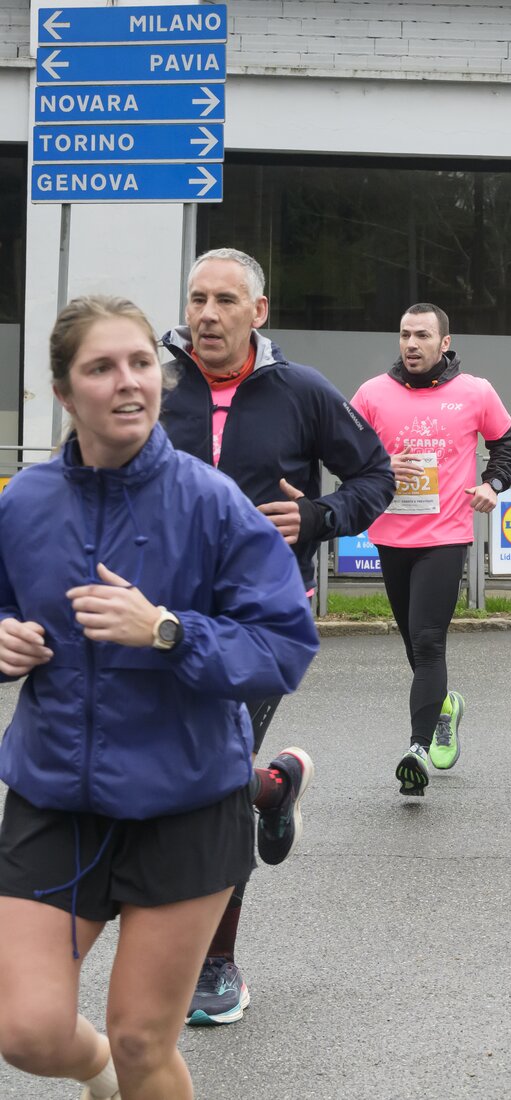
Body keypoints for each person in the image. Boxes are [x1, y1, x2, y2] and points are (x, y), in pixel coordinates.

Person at [0, 296, 317, 1100]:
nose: (128, 382)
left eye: (141, 363)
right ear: (64, 392)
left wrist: (168, 632)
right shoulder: (23, 502)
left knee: (144, 1040)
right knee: (27, 1031)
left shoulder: (211, 503)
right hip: (55, 796)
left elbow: (285, 646)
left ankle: (126, 1069)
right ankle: (97, 1073)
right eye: (101, 368)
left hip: (185, 800)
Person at [160, 248, 393, 1026]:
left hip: (263, 620)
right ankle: (274, 786)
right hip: (162, 617)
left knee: (213, 782)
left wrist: (320, 516)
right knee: (178, 769)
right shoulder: (154, 383)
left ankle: (216, 962)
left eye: (225, 300)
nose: (207, 314)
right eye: (197, 298)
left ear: (258, 312)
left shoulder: (302, 390)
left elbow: (376, 475)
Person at [352, 303, 511, 795]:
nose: (412, 343)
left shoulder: (475, 391)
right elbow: (344, 448)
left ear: (444, 343)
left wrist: (492, 483)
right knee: (413, 643)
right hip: (390, 536)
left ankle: (418, 749)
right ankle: (445, 706)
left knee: (428, 642)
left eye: (423, 335)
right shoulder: (372, 393)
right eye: (405, 334)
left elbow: (509, 444)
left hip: (445, 536)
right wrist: (379, 464)